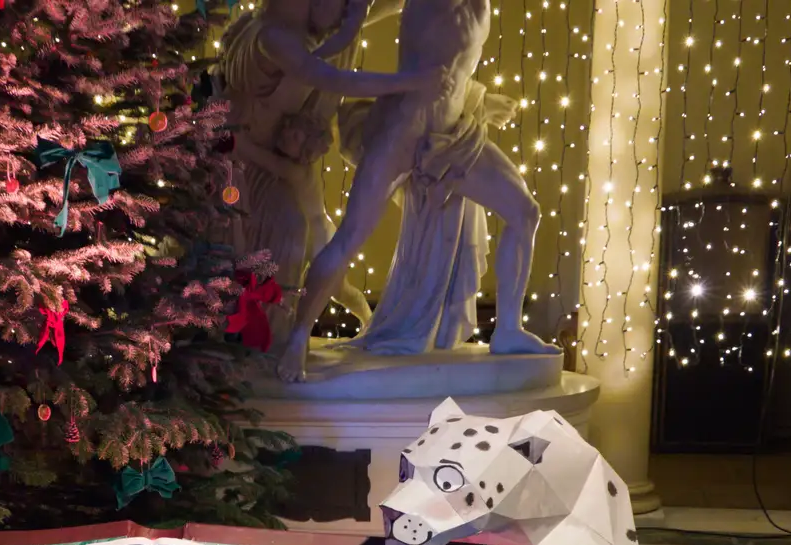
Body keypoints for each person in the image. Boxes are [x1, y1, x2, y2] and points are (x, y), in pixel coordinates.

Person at [278, 0, 560, 382]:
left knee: (525, 212)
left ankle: (508, 328)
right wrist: (307, 51)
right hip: (404, 130)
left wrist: (480, 99)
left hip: (454, 133)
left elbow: (458, 66)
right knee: (350, 236)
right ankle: (298, 338)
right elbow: (346, 30)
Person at [218, 0, 442, 344]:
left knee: (294, 238)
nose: (346, 14)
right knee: (274, 240)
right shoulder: (276, 39)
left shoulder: (294, 33)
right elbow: (336, 80)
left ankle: (268, 341)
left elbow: (351, 27)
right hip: (239, 168)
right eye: (343, 4)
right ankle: (255, 345)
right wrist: (410, 82)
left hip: (258, 164)